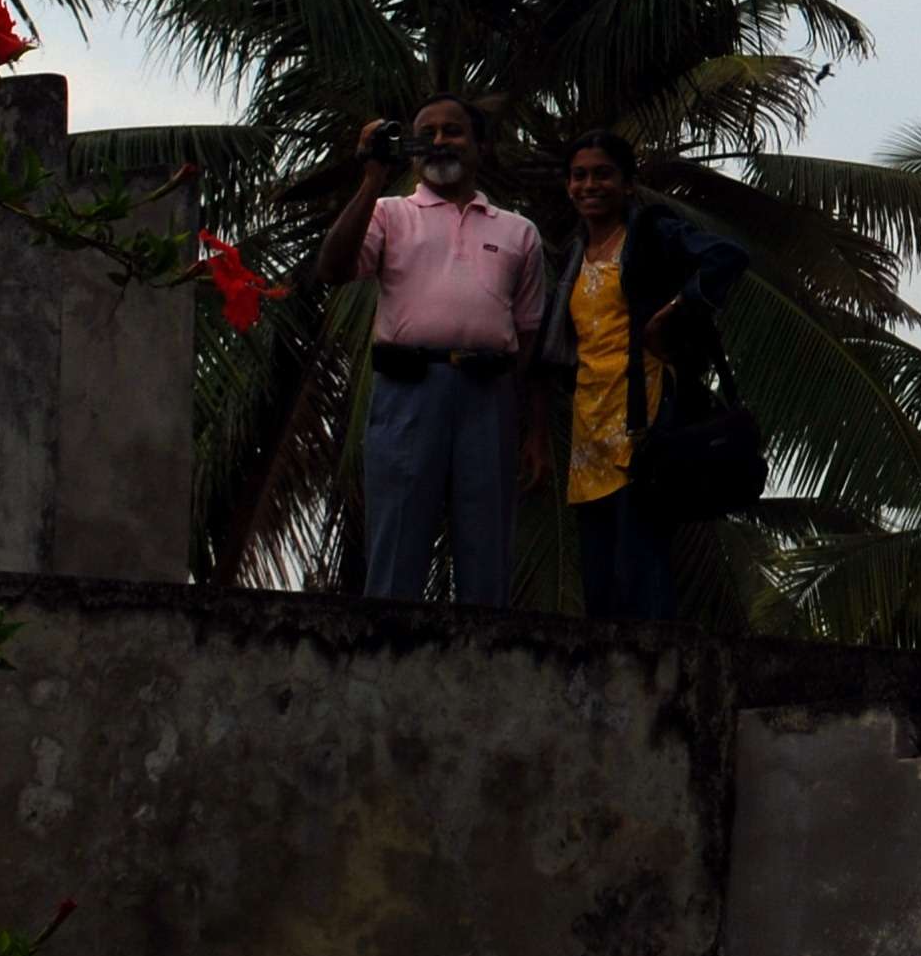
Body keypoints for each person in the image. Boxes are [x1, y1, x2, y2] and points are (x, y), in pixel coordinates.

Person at [316, 95, 548, 605]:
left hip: (489, 394)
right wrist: (372, 177)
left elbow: (529, 336)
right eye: (428, 133)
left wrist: (533, 428)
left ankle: (483, 651)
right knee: (396, 542)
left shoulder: (518, 231)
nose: (440, 141)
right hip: (408, 390)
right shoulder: (388, 213)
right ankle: (386, 649)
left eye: (453, 131)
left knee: (487, 551)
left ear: (480, 145)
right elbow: (332, 269)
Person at [539, 130, 746, 621]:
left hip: (644, 416)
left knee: (641, 564)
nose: (590, 185)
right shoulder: (572, 255)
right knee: (599, 578)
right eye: (579, 176)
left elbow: (728, 256)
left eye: (603, 174)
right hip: (590, 425)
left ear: (628, 183)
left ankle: (654, 665)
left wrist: (676, 309)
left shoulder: (649, 235)